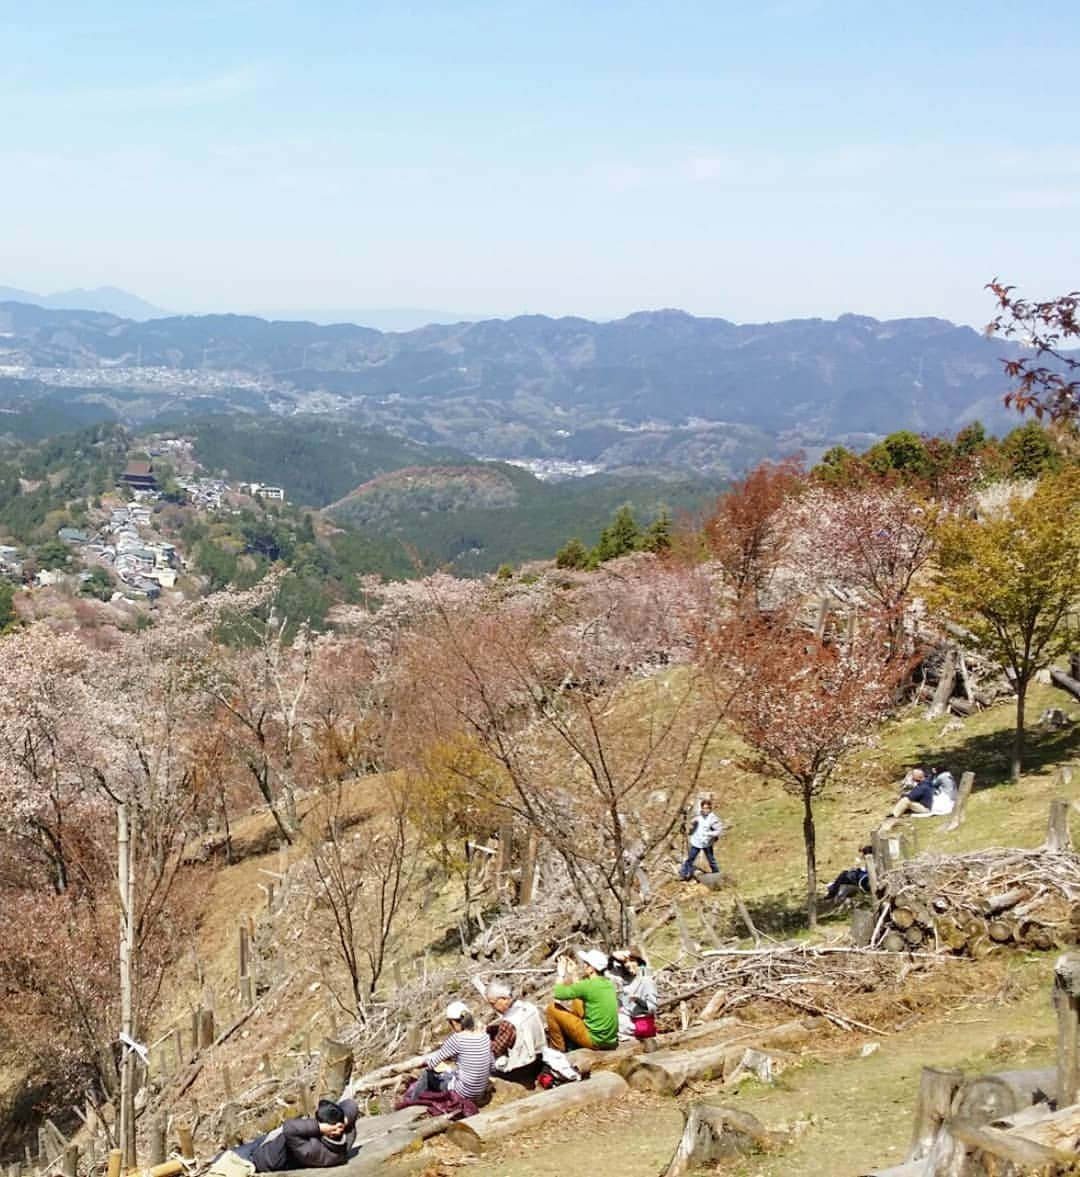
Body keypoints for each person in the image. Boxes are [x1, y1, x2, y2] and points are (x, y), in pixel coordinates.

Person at [225, 1099, 359, 1172]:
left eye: (318, 1123)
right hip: (271, 1140)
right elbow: (351, 1103)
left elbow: (289, 1128)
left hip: (259, 1158)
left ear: (326, 1129)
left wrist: (319, 1128)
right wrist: (343, 1122)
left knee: (221, 1161)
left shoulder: (314, 1151)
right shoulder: (347, 1135)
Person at [407, 1001, 492, 1106]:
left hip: (464, 1092)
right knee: (452, 1072)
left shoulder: (457, 1039)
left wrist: (427, 1060)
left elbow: (433, 1063)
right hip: (480, 1092)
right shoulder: (484, 1037)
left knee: (427, 1075)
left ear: (455, 1023)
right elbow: (491, 1066)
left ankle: (412, 1103)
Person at [545, 948, 619, 1052]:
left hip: (594, 1041)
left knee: (552, 1008)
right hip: (610, 1040)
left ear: (591, 968)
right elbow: (581, 991)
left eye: (586, 963)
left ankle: (558, 1050)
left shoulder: (588, 985)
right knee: (578, 1000)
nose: (584, 965)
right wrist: (574, 973)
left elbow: (558, 993)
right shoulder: (608, 984)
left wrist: (561, 974)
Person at [484, 980, 546, 1082]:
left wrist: (482, 1037)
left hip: (524, 1066)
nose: (493, 1008)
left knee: (490, 1065)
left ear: (503, 999)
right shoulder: (528, 1006)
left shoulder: (508, 1023)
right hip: (541, 1054)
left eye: (493, 1003)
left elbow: (496, 1049)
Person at [610, 947, 658, 1041]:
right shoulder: (625, 977)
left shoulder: (646, 980)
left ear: (639, 962)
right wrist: (613, 957)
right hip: (625, 1021)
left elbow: (652, 1007)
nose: (628, 964)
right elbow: (606, 968)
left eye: (632, 961)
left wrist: (639, 1001)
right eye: (625, 962)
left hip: (639, 1023)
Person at [679, 797, 724, 879]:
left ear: (710, 809)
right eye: (703, 808)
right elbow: (690, 821)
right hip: (697, 842)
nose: (705, 810)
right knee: (690, 859)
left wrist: (708, 834)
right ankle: (683, 874)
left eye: (707, 808)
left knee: (711, 861)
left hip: (707, 843)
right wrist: (689, 824)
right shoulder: (698, 816)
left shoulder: (713, 819)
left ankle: (717, 875)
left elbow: (719, 830)